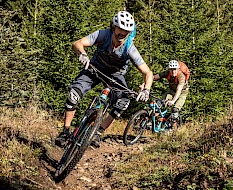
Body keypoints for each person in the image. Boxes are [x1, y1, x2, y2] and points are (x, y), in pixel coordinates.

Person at [55, 11, 153, 148]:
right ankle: (65, 132)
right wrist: (82, 54)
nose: (122, 33)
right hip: (95, 68)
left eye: (126, 31)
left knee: (123, 102)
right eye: (120, 29)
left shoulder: (129, 48)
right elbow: (77, 43)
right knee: (73, 94)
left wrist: (146, 90)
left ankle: (97, 132)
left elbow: (148, 72)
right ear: (114, 27)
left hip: (116, 75)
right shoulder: (103, 35)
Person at [152, 60, 189, 129]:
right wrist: (144, 85)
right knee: (159, 103)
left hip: (182, 93)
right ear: (169, 69)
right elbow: (154, 77)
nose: (173, 71)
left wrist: (173, 101)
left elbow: (179, 90)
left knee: (175, 110)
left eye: (175, 69)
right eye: (171, 70)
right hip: (171, 91)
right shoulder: (167, 73)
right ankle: (154, 122)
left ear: (178, 69)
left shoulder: (181, 77)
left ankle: (173, 128)